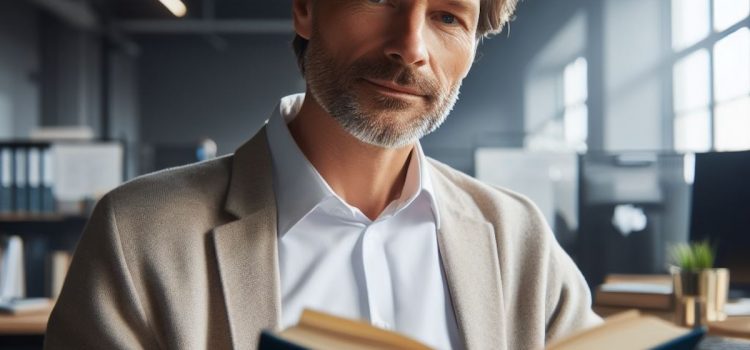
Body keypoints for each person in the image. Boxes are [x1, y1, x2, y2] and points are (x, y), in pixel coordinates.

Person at [45, 0, 601, 348]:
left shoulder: (517, 235)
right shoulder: (138, 233)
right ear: (306, 7)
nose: (411, 48)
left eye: (447, 17)